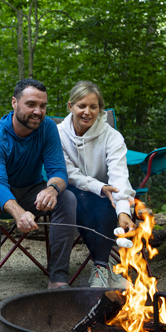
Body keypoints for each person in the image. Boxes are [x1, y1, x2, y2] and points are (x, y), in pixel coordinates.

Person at [0, 79, 77, 309]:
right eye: (31, 104)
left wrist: (52, 189)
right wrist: (18, 213)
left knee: (67, 198)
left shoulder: (47, 128)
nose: (38, 111)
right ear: (15, 103)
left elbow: (58, 171)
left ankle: (58, 279)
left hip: (30, 187)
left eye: (43, 106)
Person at [57, 81, 136, 288]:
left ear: (100, 109)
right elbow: (68, 173)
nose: (87, 112)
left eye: (93, 107)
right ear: (70, 106)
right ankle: (106, 266)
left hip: (105, 194)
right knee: (78, 197)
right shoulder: (57, 134)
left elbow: (119, 177)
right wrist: (98, 187)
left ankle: (102, 268)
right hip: (75, 190)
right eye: (81, 106)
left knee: (106, 200)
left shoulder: (112, 136)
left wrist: (123, 212)